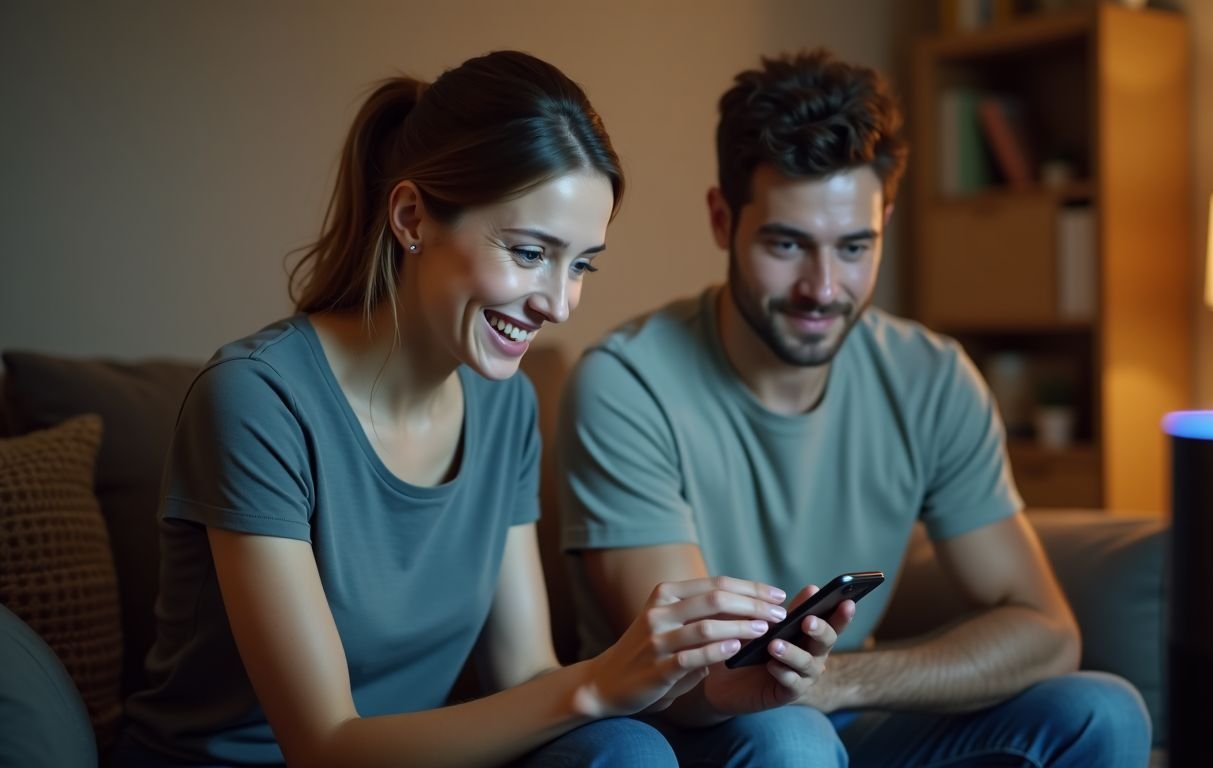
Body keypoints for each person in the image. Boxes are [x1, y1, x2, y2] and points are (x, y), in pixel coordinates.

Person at [113, 51, 834, 768]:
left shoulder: (504, 404)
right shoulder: (257, 399)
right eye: (529, 252)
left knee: (692, 742)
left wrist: (705, 687)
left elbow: (524, 676)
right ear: (411, 217)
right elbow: (322, 744)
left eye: (581, 264)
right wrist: (600, 680)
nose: (559, 302)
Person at [557, 49, 1153, 766]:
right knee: (788, 736)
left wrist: (841, 680)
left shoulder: (929, 377)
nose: (824, 286)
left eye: (854, 246)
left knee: (1102, 712)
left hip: (833, 712)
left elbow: (1045, 628)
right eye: (787, 244)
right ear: (723, 220)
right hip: (681, 730)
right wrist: (809, 698)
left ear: (885, 223)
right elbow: (684, 673)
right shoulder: (628, 383)